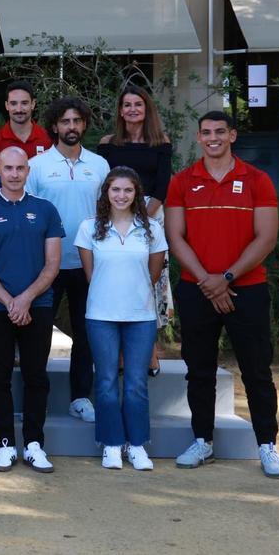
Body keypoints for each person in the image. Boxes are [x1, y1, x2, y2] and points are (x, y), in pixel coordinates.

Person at [165, 111, 279, 478]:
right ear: (198, 138)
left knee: (256, 370)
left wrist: (227, 277)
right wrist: (208, 280)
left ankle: (267, 445)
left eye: (220, 131)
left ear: (232, 135)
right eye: (206, 132)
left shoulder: (256, 179)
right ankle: (203, 440)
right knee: (198, 370)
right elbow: (175, 236)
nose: (213, 137)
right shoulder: (183, 181)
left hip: (247, 289)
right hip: (197, 289)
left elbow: (266, 237)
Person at [0, 146, 64, 474]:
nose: (13, 174)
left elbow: (52, 265)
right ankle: (5, 444)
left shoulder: (46, 209)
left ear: (27, 171)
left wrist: (25, 299)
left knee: (37, 376)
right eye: (7, 168)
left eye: (19, 168)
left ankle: (35, 443)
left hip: (39, 305)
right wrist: (10, 302)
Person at [75, 167, 167, 471]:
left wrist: (134, 294)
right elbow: (91, 275)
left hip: (140, 316)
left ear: (136, 194)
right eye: (115, 190)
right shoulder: (89, 228)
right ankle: (111, 443)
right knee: (105, 380)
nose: (121, 196)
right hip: (101, 315)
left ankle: (137, 444)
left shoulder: (151, 228)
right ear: (106, 193)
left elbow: (153, 273)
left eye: (128, 190)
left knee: (137, 382)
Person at [25, 95, 109, 423]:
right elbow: (29, 212)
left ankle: (80, 397)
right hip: (48, 264)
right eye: (64, 122)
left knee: (85, 333)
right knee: (40, 333)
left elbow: (108, 210)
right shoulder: (38, 166)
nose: (71, 127)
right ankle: (37, 396)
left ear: (84, 124)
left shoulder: (99, 165)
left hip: (88, 263)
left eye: (76, 121)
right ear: (54, 126)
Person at [97, 85, 174, 375]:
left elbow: (163, 185)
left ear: (146, 109)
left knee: (151, 281)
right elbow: (105, 186)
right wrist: (120, 214)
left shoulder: (161, 142)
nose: (132, 109)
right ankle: (118, 353)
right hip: (114, 215)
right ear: (120, 110)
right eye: (126, 104)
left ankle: (150, 350)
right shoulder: (108, 143)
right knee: (117, 280)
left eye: (138, 105)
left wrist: (142, 216)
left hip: (150, 217)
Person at [0, 79, 52, 163]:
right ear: (7, 105)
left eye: (24, 103)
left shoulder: (48, 139)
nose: (19, 109)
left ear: (33, 104)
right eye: (13, 103)